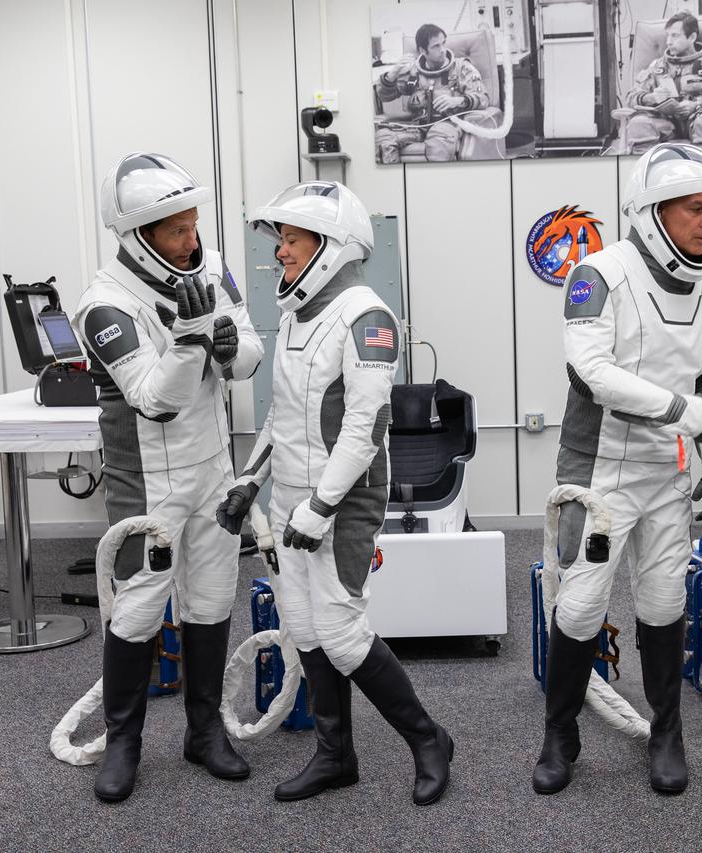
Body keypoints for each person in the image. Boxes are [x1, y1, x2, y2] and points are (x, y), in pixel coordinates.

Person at [218, 181, 454, 806]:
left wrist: (321, 507)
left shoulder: (368, 318)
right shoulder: (297, 314)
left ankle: (429, 740)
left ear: (330, 246)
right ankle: (335, 755)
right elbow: (282, 414)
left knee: (344, 632)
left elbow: (364, 428)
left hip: (342, 502)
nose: (281, 255)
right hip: (291, 500)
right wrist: (250, 479)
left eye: (291, 242)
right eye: (281, 243)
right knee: (305, 629)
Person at [533, 143, 702, 796]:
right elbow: (591, 373)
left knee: (663, 600)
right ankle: (559, 734)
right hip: (601, 471)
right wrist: (687, 414)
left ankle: (667, 733)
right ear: (653, 213)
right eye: (695, 208)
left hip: (670, 470)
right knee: (583, 604)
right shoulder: (597, 273)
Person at [73, 152, 262, 803]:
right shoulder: (103, 305)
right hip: (147, 485)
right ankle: (124, 741)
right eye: (176, 230)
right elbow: (154, 397)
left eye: (192, 223)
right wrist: (190, 339)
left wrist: (233, 350)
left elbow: (248, 350)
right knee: (136, 612)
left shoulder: (208, 265)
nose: (192, 239)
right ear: (139, 236)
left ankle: (204, 731)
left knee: (211, 600)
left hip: (211, 471)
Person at [622, 11, 702, 152]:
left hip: (701, 117)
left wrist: (698, 104)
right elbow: (631, 96)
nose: (668, 42)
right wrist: (651, 98)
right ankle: (652, 170)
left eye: (674, 36)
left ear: (692, 37)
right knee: (639, 124)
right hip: (665, 122)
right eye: (668, 36)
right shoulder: (658, 66)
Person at [374, 23, 489, 163]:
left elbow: (483, 98)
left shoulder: (461, 68)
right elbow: (384, 96)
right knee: (383, 138)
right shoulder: (413, 72)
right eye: (436, 46)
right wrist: (392, 74)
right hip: (418, 127)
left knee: (438, 142)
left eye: (443, 43)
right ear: (423, 50)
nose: (443, 50)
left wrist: (458, 101)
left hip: (448, 125)